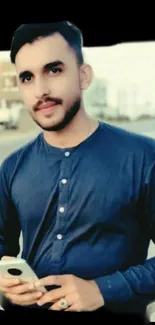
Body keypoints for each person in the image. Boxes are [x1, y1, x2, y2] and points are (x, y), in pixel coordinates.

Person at [0, 22, 154, 322]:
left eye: (54, 70)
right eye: (27, 77)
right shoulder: (12, 166)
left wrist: (102, 290)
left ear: (84, 76)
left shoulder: (144, 157)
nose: (40, 90)